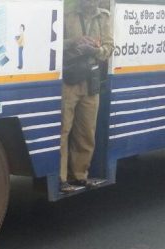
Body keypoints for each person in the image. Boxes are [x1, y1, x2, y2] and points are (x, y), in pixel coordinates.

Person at [59, 0, 113, 193]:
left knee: (86, 132)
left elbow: (109, 47)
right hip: (70, 79)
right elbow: (54, 43)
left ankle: (80, 176)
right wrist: (74, 43)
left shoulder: (104, 18)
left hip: (91, 80)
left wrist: (96, 51)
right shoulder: (67, 15)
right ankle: (61, 178)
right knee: (63, 130)